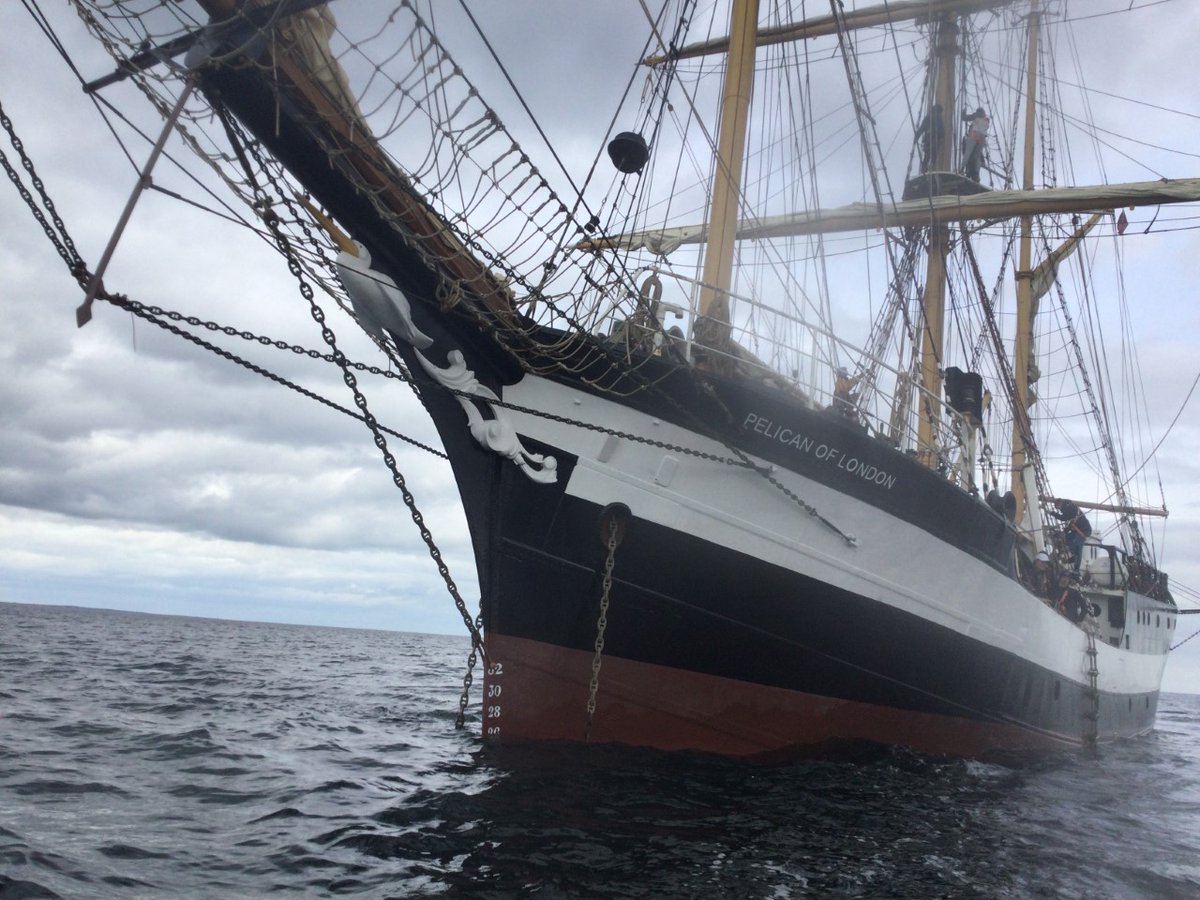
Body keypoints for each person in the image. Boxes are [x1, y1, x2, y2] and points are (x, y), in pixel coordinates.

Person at [1051, 499, 1092, 572]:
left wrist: (1053, 513)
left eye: (1058, 508)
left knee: (1077, 545)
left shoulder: (1069, 507)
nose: (1059, 510)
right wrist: (1062, 533)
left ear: (1060, 504)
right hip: (1077, 529)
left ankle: (1076, 568)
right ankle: (1071, 556)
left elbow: (1064, 518)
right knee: (1067, 538)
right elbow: (1070, 523)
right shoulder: (1069, 507)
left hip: (1084, 531)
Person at [960, 107, 989, 181]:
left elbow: (964, 118)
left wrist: (963, 112)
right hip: (980, 139)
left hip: (973, 137)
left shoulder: (976, 115)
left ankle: (966, 171)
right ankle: (975, 175)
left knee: (968, 154)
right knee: (976, 155)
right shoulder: (985, 119)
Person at [915, 103, 944, 173]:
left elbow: (922, 128)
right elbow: (941, 130)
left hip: (928, 140)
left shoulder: (928, 118)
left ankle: (924, 170)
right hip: (935, 140)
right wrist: (941, 138)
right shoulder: (938, 118)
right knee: (933, 156)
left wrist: (916, 137)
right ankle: (930, 169)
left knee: (927, 156)